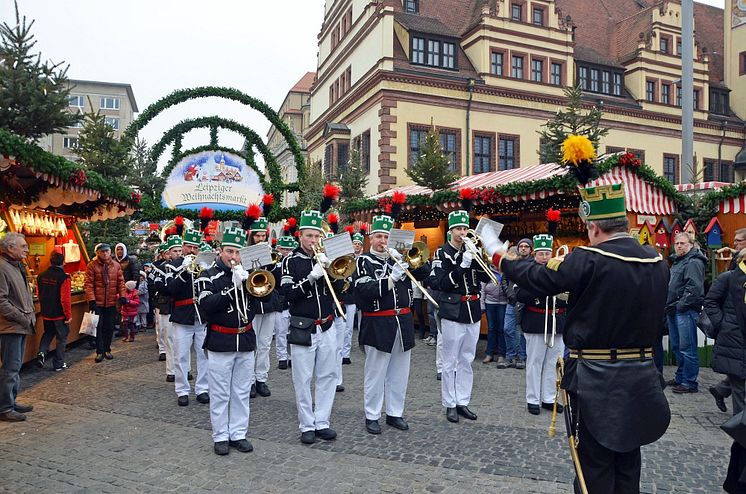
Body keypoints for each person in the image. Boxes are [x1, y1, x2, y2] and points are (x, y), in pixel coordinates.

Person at [485, 182, 671, 494]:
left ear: (595, 227)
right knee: (628, 463)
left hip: (596, 378)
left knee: (593, 469)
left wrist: (499, 254)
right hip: (641, 375)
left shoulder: (588, 258)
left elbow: (538, 278)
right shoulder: (656, 262)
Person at [355, 216, 430, 434]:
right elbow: (364, 291)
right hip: (378, 321)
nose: (383, 241)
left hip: (403, 321)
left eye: (386, 237)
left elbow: (426, 275)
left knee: (400, 372)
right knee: (376, 372)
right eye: (378, 236)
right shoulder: (363, 261)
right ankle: (372, 415)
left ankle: (395, 413)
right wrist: (391, 278)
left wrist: (408, 259)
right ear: (370, 239)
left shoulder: (399, 259)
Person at [280, 210, 342, 444]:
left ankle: (322, 421)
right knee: (303, 378)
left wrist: (333, 274)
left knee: (328, 375)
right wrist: (312, 277)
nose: (314, 241)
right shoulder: (290, 261)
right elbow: (287, 295)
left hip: (327, 324)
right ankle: (306, 424)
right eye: (309, 236)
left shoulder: (325, 256)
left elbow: (340, 289)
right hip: (302, 327)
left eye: (317, 236)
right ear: (300, 236)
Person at [196, 227, 255, 455]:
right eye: (230, 251)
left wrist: (251, 283)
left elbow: (267, 298)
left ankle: (238, 433)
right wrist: (234, 289)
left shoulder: (246, 272)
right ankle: (220, 435)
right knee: (220, 393)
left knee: (241, 392)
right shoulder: (207, 275)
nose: (234, 257)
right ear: (220, 251)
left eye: (238, 253)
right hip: (220, 341)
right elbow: (206, 306)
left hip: (246, 338)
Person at [430, 210, 491, 423]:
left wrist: (481, 257)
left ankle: (463, 401)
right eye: (458, 229)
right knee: (450, 361)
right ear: (451, 230)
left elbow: (487, 278)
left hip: (472, 309)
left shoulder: (471, 250)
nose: (463, 233)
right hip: (452, 310)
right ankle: (449, 403)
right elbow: (440, 284)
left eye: (465, 228)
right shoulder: (442, 253)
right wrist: (462, 264)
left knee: (467, 359)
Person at [514, 234, 566, 415]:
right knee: (535, 362)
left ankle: (549, 398)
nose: (545, 257)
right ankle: (533, 399)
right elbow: (518, 295)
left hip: (557, 321)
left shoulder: (559, 269)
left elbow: (568, 296)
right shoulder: (527, 270)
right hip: (536, 321)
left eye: (547, 253)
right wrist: (540, 287)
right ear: (535, 254)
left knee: (554, 363)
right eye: (541, 253)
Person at [163, 231, 206, 404]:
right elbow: (170, 290)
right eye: (189, 246)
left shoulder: (204, 265)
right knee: (181, 355)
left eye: (195, 248)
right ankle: (182, 390)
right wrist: (185, 272)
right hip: (182, 315)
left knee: (204, 355)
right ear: (183, 246)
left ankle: (203, 388)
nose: (192, 250)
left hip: (201, 315)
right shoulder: (173, 265)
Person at [703, 249, 746, 415]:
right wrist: (722, 323)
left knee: (740, 375)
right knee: (739, 382)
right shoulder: (728, 278)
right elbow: (711, 301)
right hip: (733, 336)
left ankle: (720, 390)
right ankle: (741, 428)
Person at [0, 232, 35, 421]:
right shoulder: (2, 267)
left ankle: (11, 402)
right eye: (23, 246)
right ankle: (5, 408)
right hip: (10, 326)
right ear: (10, 248)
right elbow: (1, 301)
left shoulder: (15, 266)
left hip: (18, 325)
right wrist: (21, 317)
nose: (26, 249)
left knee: (15, 366)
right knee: (10, 368)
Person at [665, 232, 706, 393]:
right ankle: (681, 377)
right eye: (677, 243)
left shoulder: (693, 262)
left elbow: (694, 288)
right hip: (674, 309)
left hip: (685, 310)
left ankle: (689, 382)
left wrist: (680, 305)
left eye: (683, 243)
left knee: (687, 348)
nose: (679, 246)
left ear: (691, 244)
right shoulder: (678, 261)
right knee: (677, 347)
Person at [247, 217, 281, 399]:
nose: (260, 239)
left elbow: (278, 279)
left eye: (263, 236)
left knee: (266, 343)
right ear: (251, 237)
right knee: (252, 344)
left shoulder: (272, 254)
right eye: (257, 236)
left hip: (268, 303)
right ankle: (250, 380)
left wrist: (271, 261)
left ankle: (261, 378)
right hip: (252, 304)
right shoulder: (244, 253)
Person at [84, 243, 126, 362]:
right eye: (102, 251)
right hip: (97, 302)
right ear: (97, 253)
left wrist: (122, 296)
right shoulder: (92, 266)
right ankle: (100, 351)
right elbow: (88, 284)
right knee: (98, 326)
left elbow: (121, 282)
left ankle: (107, 349)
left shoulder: (116, 266)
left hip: (112, 302)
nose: (105, 253)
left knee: (110, 326)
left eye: (107, 251)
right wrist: (91, 299)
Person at [36, 251, 71, 372]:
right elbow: (65, 299)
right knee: (62, 338)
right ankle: (58, 363)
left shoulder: (41, 276)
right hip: (59, 314)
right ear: (63, 262)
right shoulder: (64, 277)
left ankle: (41, 353)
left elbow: (38, 293)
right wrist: (68, 315)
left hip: (46, 313)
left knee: (48, 333)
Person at [504, 239, 531, 369]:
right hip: (511, 301)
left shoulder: (533, 263)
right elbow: (504, 278)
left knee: (521, 332)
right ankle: (510, 356)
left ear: (531, 249)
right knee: (507, 329)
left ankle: (522, 357)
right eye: (521, 246)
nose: (523, 248)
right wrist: (508, 292)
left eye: (526, 246)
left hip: (525, 303)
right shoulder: (512, 262)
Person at [275, 236, 296, 370]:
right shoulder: (276, 264)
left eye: (289, 249)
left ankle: (291, 356)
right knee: (281, 331)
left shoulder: (294, 263)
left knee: (293, 332)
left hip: (293, 302)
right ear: (279, 249)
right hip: (281, 302)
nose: (287, 252)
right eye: (284, 249)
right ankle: (282, 357)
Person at [481, 266, 509, 368]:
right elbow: (482, 289)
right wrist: (482, 305)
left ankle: (501, 354)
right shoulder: (487, 270)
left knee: (502, 329)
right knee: (491, 328)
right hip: (490, 303)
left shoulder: (507, 269)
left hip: (503, 303)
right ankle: (489, 353)